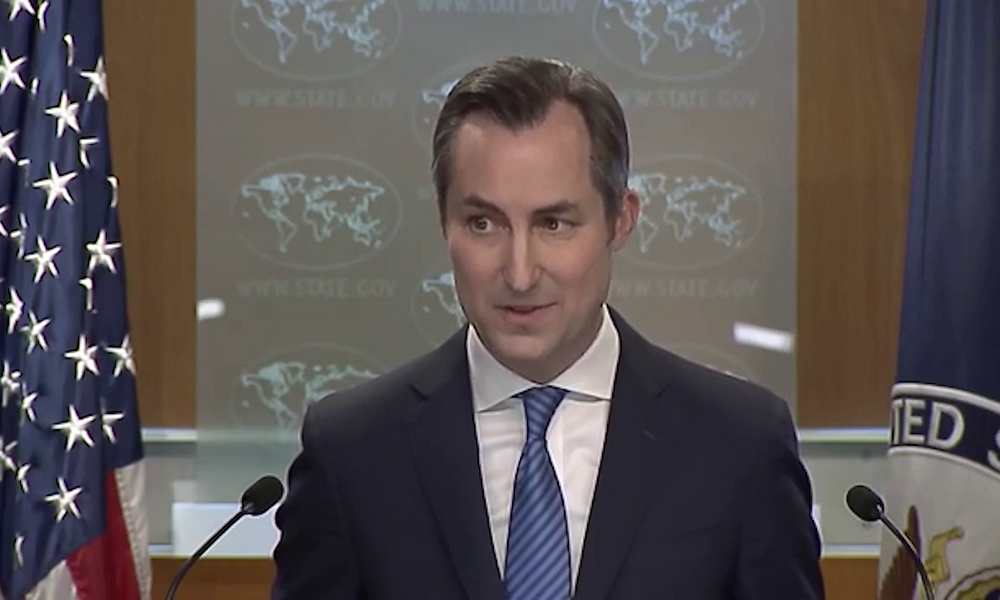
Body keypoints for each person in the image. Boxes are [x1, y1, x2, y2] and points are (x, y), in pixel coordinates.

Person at [270, 55, 825, 599]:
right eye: (483, 223)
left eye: (554, 223)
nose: (519, 273)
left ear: (621, 219)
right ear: (443, 219)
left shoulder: (739, 446)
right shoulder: (351, 453)